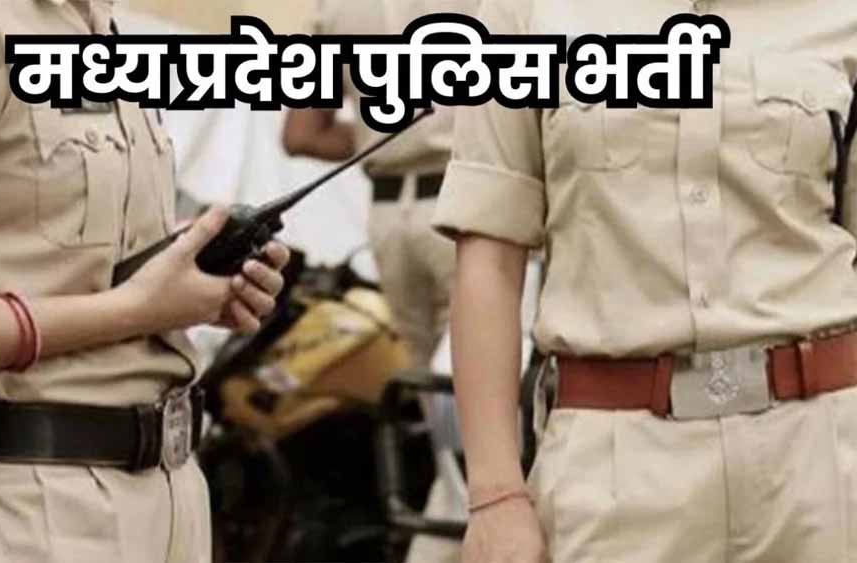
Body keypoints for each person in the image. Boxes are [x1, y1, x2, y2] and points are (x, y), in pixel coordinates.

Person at [0, 0, 291, 561]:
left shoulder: (96, 25)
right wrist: (137, 310)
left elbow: (66, 263)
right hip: (15, 508)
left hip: (165, 497)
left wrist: (191, 279)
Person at [433, 0, 857, 562]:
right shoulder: (527, 13)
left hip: (821, 459)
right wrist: (495, 496)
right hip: (615, 473)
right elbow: (488, 261)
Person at [281, 2, 479, 561]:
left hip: (392, 218)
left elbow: (301, 133)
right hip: (469, 204)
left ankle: (448, 528)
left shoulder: (336, 10)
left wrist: (386, 138)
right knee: (491, 401)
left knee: (440, 404)